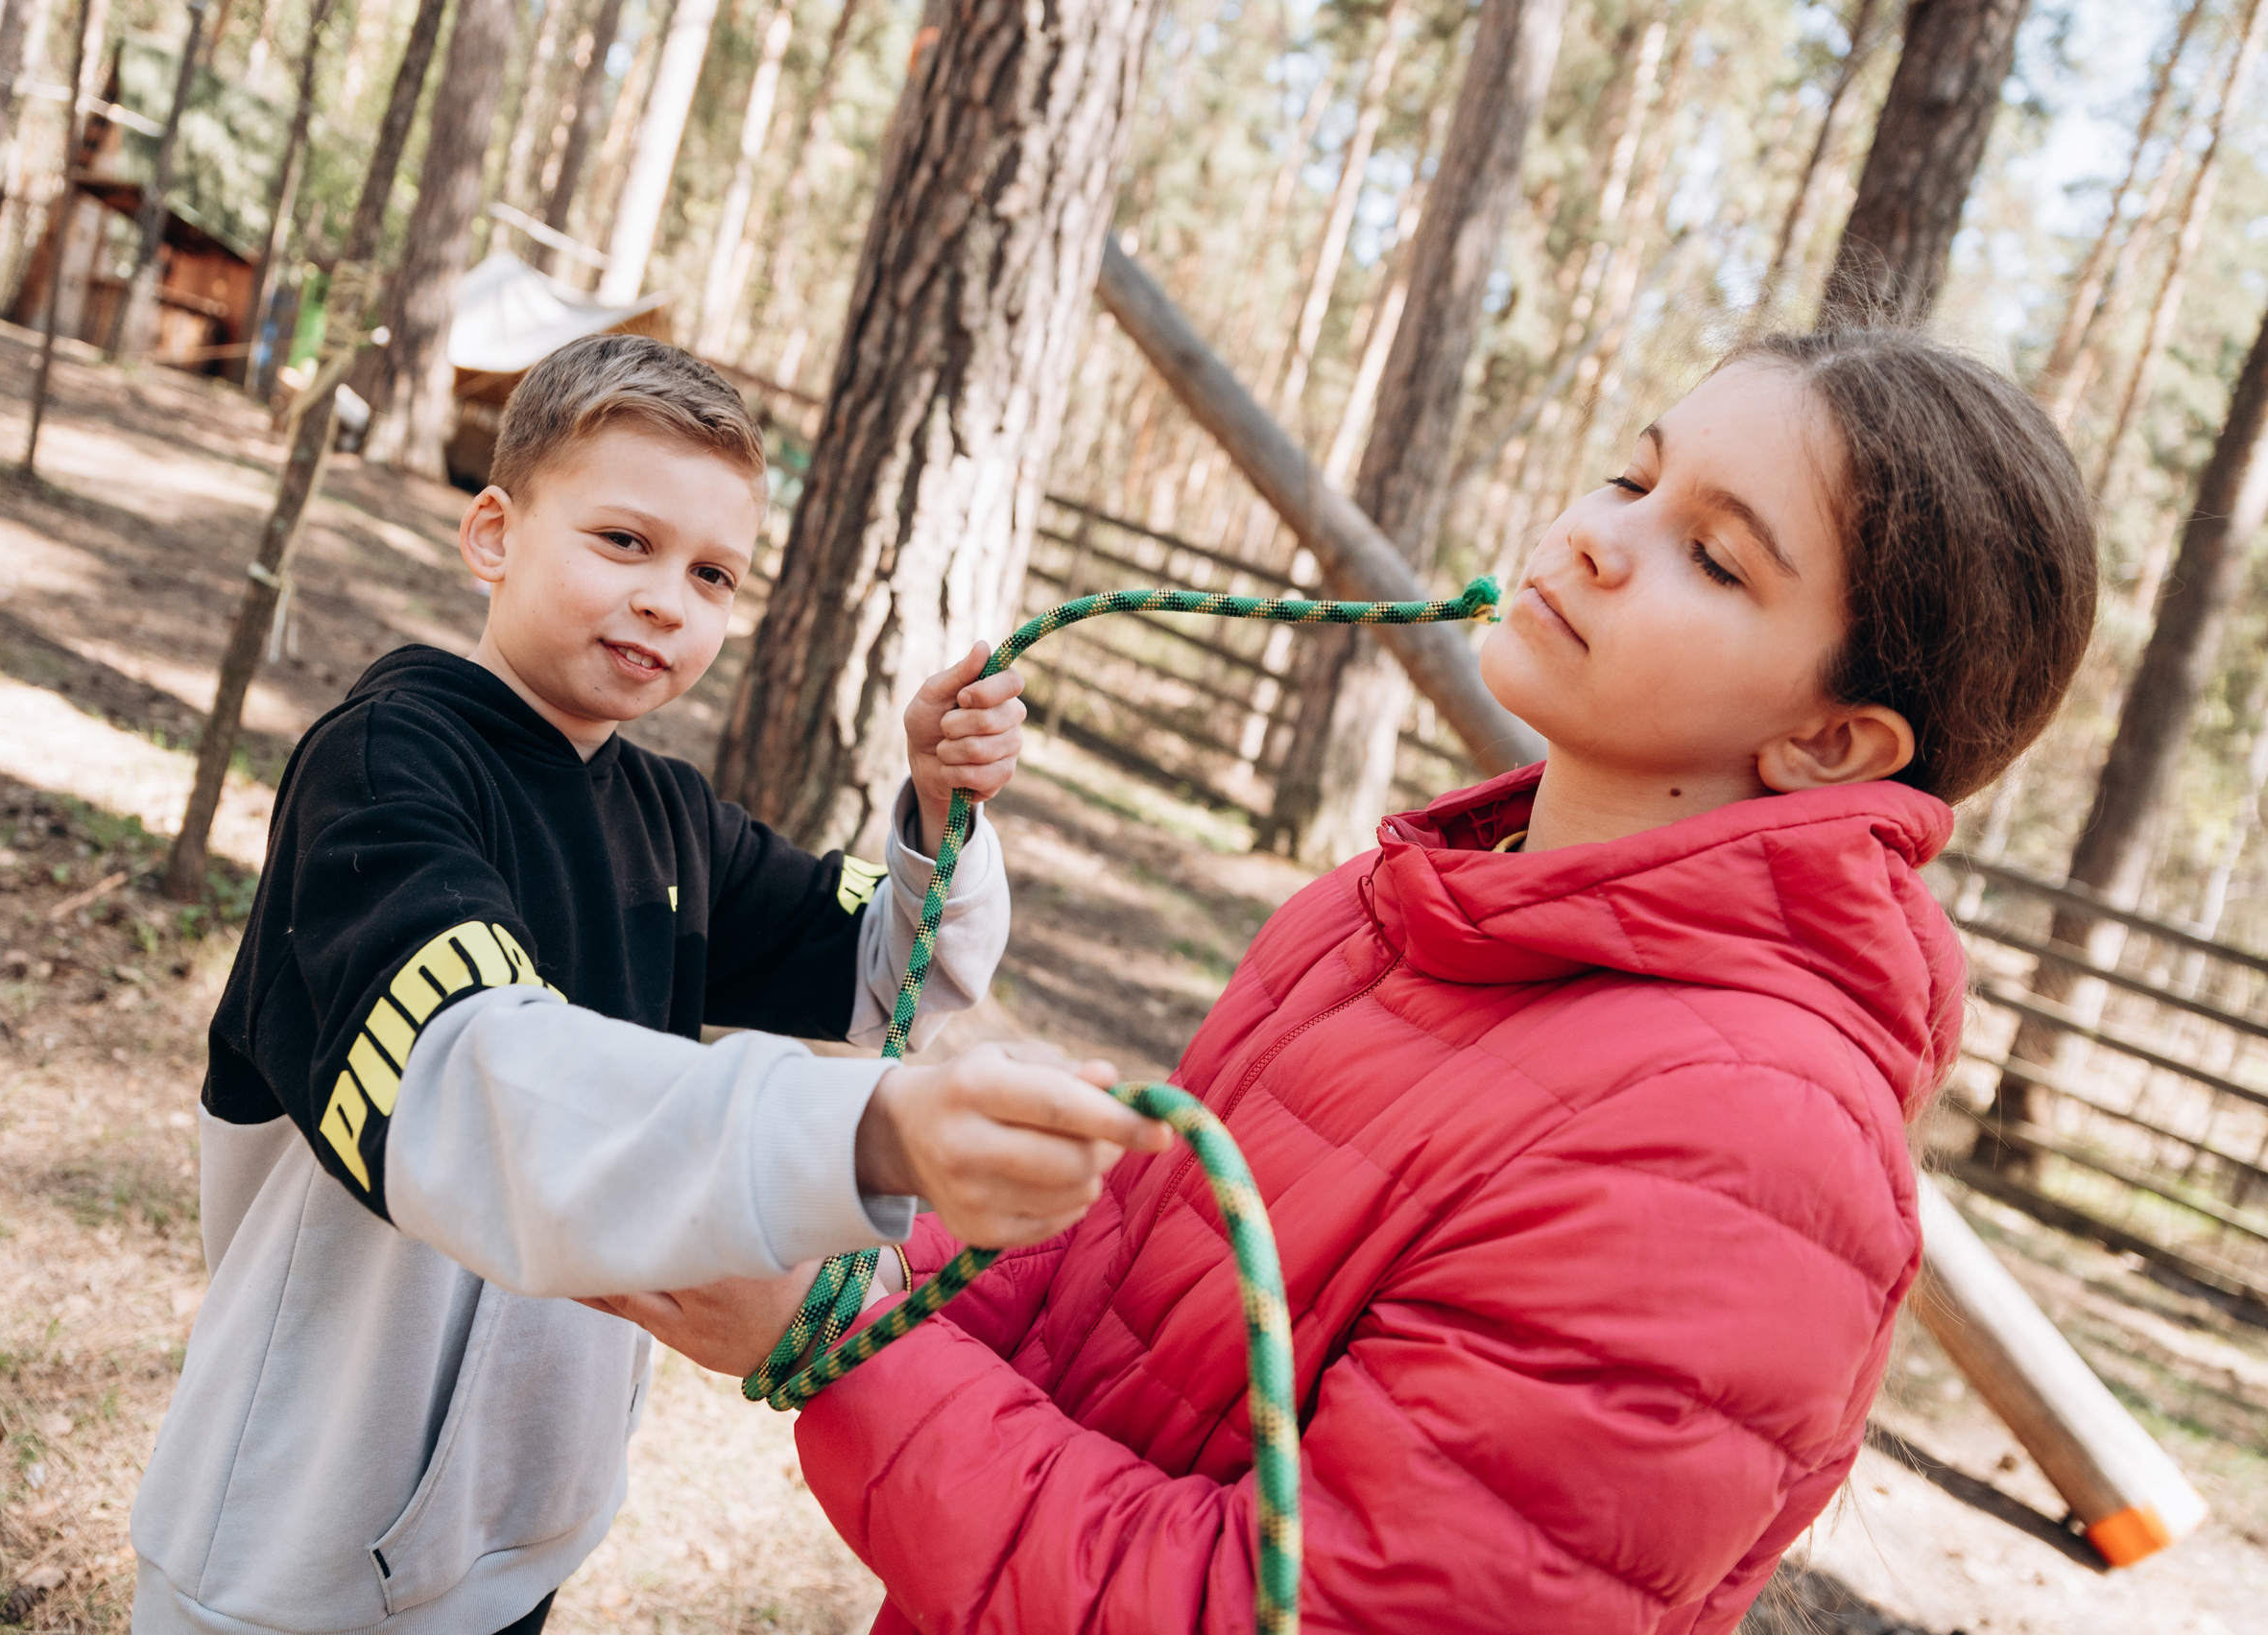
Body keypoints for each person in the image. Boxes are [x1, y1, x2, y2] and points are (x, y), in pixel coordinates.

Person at [608, 328, 2101, 1632]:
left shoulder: (1748, 1157)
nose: (1597, 536)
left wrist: (835, 1352)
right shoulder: (1381, 919)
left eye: (1714, 555)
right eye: (1633, 478)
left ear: (1833, 743)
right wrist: (845, 1207)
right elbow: (1112, 1316)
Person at [127, 335, 1170, 1634]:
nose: (668, 598)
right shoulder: (387, 770)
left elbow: (891, 968)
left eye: (712, 572)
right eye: (624, 540)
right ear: (494, 534)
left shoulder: (670, 817)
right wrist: (874, 1130)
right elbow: (474, 1083)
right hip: (299, 1553)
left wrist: (942, 812)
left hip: (511, 1537)